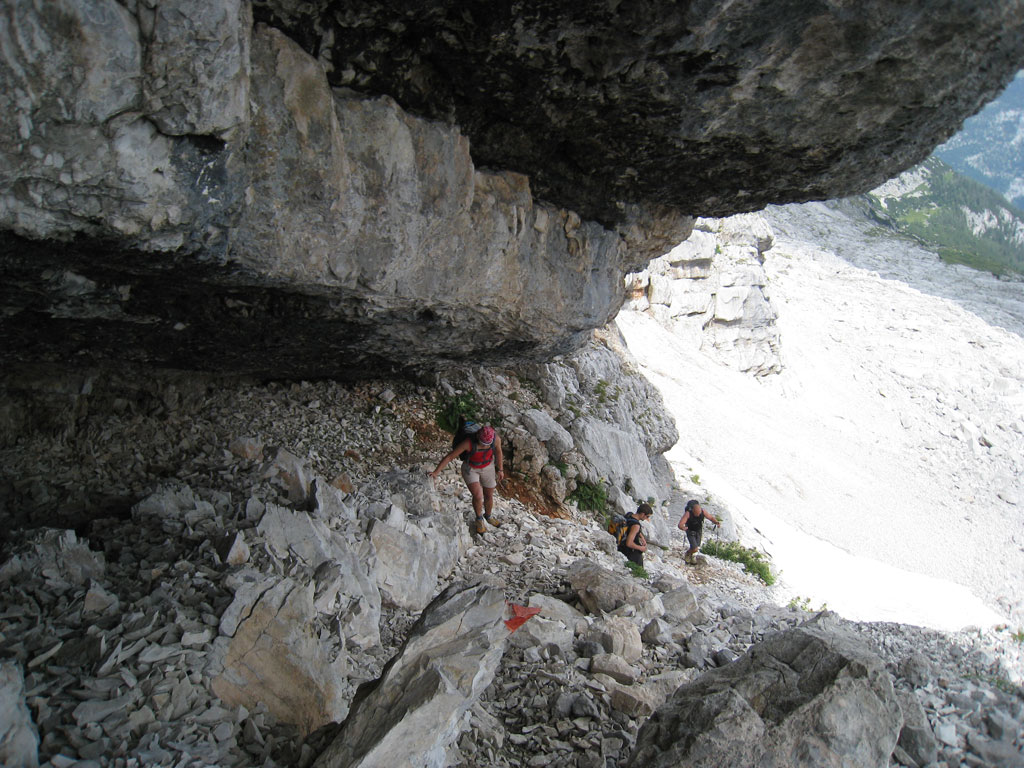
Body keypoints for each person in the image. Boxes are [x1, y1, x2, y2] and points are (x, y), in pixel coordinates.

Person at [429, 424, 505, 534]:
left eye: (487, 444)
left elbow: (498, 451)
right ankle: (479, 519)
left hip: (488, 466)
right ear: (478, 437)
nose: (484, 446)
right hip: (471, 468)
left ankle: (488, 516)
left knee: (489, 494)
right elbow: (450, 457)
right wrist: (436, 472)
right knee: (478, 495)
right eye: (483, 444)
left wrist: (500, 469)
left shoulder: (496, 439)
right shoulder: (468, 443)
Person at [678, 499, 719, 563]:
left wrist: (716, 522)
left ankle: (691, 556)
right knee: (695, 548)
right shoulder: (688, 513)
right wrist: (683, 527)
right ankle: (688, 554)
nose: (697, 515)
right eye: (696, 513)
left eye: (699, 513)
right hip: (690, 530)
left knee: (696, 546)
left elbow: (710, 517)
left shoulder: (703, 511)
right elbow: (680, 524)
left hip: (698, 530)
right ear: (693, 510)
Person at [619, 502, 654, 567]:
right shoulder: (636, 526)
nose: (647, 519)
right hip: (631, 553)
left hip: (620, 545)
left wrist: (642, 537)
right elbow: (629, 543)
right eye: (647, 516)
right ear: (643, 514)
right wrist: (641, 548)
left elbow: (630, 528)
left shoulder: (629, 515)